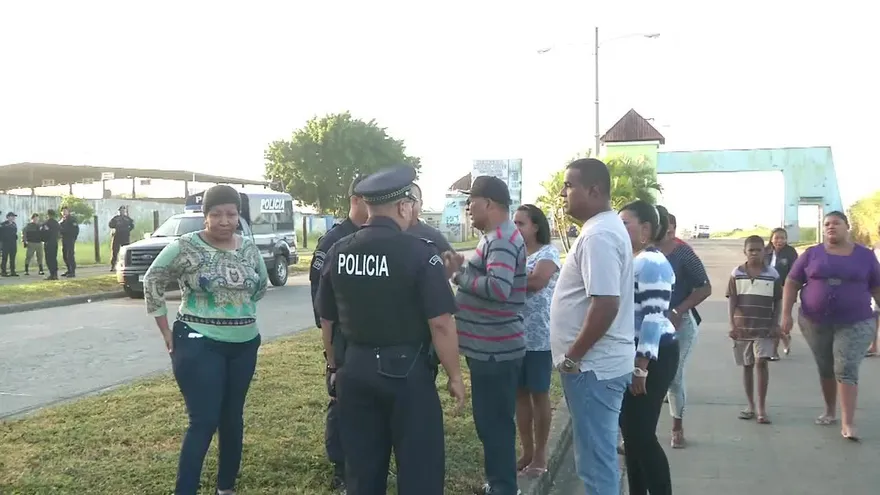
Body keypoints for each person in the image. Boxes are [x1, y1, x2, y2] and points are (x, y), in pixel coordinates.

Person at [315, 165, 466, 495]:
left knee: (362, 471)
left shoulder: (339, 251)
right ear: (402, 206)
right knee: (420, 470)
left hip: (354, 370)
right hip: (406, 374)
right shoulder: (420, 253)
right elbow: (440, 323)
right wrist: (455, 376)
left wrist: (333, 365)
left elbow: (327, 320)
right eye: (412, 203)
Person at [142, 185, 268, 495]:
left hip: (244, 343)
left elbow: (260, 285)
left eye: (231, 214)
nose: (225, 221)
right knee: (204, 419)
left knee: (232, 417)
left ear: (239, 216)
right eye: (217, 214)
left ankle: (226, 487)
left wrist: (236, 309)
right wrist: (165, 330)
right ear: (205, 216)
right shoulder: (186, 246)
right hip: (199, 342)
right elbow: (153, 279)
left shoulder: (249, 248)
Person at [550, 158, 634, 495]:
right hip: (597, 367)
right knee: (596, 460)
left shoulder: (599, 234)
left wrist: (573, 357)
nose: (563, 192)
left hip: (592, 369)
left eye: (569, 185)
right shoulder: (602, 229)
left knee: (596, 465)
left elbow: (605, 304)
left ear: (594, 190)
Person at [448, 174, 527, 495]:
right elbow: (487, 275)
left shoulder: (503, 240)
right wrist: (463, 267)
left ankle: (504, 487)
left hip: (496, 351)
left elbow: (498, 287)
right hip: (489, 350)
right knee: (492, 424)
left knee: (494, 425)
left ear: (489, 204)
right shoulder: (494, 237)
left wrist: (457, 276)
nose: (468, 207)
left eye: (472, 201)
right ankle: (500, 482)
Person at [781, 211, 880, 441]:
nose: (831, 227)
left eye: (836, 223)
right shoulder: (812, 254)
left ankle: (848, 422)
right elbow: (792, 282)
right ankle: (829, 410)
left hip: (855, 322)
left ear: (848, 227)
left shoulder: (864, 256)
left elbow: (877, 287)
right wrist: (786, 314)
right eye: (827, 224)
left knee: (845, 367)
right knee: (825, 365)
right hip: (814, 321)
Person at [308, 174, 368, 491]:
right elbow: (320, 292)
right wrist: (330, 340)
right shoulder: (333, 240)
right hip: (342, 338)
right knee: (340, 400)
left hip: (371, 340)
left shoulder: (380, 237)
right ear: (356, 200)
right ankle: (341, 467)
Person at [617, 200, 677, 495]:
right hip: (640, 353)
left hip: (653, 355)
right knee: (632, 435)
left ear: (645, 230)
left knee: (640, 435)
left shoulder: (651, 263)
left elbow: (654, 317)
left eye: (624, 223)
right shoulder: (636, 260)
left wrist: (641, 366)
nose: (619, 228)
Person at [655, 206, 711, 449]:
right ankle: (640, 432)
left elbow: (704, 287)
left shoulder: (682, 253)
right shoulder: (638, 251)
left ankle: (677, 427)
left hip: (680, 324)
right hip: (646, 325)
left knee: (673, 378)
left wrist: (679, 310)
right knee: (643, 377)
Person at [512, 204, 560, 478]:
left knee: (539, 394)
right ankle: (527, 450)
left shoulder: (548, 253)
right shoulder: (514, 252)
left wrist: (500, 279)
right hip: (514, 335)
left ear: (536, 227)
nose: (515, 228)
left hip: (540, 337)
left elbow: (537, 282)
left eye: (521, 223)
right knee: (520, 395)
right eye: (514, 223)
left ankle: (541, 454)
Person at [728, 235, 782, 424]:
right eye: (751, 250)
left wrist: (776, 324)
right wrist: (732, 324)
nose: (755, 253)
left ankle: (761, 408)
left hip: (764, 327)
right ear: (745, 251)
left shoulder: (772, 274)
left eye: (758, 250)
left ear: (764, 251)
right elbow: (733, 299)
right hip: (743, 328)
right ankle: (750, 405)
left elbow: (778, 300)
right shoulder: (737, 273)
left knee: (761, 363)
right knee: (747, 365)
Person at [764, 227, 798, 360]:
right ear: (771, 238)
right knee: (768, 321)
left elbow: (795, 273)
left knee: (777, 321)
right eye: (777, 237)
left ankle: (773, 352)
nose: (780, 240)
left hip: (784, 291)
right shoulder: (765, 251)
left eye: (783, 238)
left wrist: (789, 289)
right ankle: (784, 337)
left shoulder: (790, 252)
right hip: (766, 291)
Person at [408, 183, 455, 254]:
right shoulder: (389, 234)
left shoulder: (434, 236)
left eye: (411, 201)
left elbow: (453, 261)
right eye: (402, 203)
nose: (406, 208)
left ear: (421, 204)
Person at [109, 206, 135, 271]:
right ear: (119, 211)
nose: (122, 212)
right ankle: (113, 266)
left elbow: (132, 226)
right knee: (115, 251)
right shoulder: (116, 218)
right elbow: (110, 225)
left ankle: (127, 266)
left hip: (125, 237)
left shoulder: (128, 219)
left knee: (126, 252)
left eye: (123, 210)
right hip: (117, 236)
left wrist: (127, 230)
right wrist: (115, 226)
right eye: (121, 210)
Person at [41, 209, 61, 280]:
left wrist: (43, 239)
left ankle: (52, 274)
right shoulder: (57, 223)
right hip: (55, 242)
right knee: (54, 258)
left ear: (48, 215)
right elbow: (59, 233)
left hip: (48, 243)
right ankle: (55, 274)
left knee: (49, 259)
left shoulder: (46, 223)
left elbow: (43, 233)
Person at [59, 206, 79, 277]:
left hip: (70, 239)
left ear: (68, 212)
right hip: (64, 239)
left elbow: (75, 230)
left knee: (70, 255)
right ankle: (69, 270)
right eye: (63, 211)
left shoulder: (72, 219)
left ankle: (72, 271)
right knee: (65, 255)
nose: (64, 212)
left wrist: (73, 238)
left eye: (65, 211)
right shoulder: (62, 220)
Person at [0, 212, 20, 277]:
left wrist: (15, 236)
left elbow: (14, 233)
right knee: (4, 258)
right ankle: (3, 272)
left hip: (13, 244)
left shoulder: (14, 224)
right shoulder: (3, 224)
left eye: (14, 216)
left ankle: (13, 271)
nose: (14, 217)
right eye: (12, 216)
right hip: (6, 244)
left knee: (12, 258)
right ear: (8, 217)